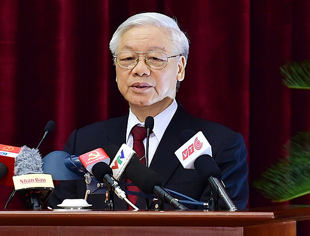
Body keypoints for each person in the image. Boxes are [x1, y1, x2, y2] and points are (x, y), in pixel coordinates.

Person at [48, 12, 248, 210]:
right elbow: (57, 222)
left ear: (180, 68)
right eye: (127, 58)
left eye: (154, 58)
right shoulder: (84, 142)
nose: (139, 69)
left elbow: (223, 226)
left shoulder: (219, 146)